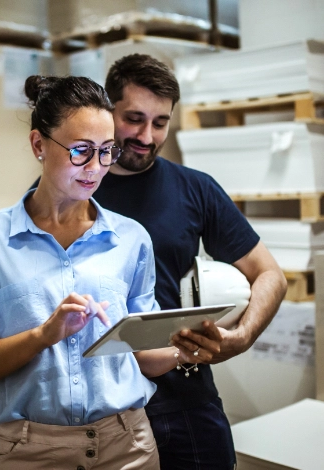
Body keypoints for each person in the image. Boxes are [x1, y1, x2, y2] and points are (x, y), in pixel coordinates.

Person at [0, 75, 222, 470]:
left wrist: (183, 349)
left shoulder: (131, 239)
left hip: (128, 446)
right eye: (80, 151)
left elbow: (138, 354)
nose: (95, 168)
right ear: (39, 144)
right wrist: (43, 335)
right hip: (27, 452)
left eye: (107, 151)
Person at [87, 54, 286, 469]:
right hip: (98, 405)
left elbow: (269, 274)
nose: (146, 135)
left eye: (160, 123)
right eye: (134, 118)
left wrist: (242, 336)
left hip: (184, 398)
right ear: (108, 110)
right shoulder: (72, 186)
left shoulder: (194, 188)